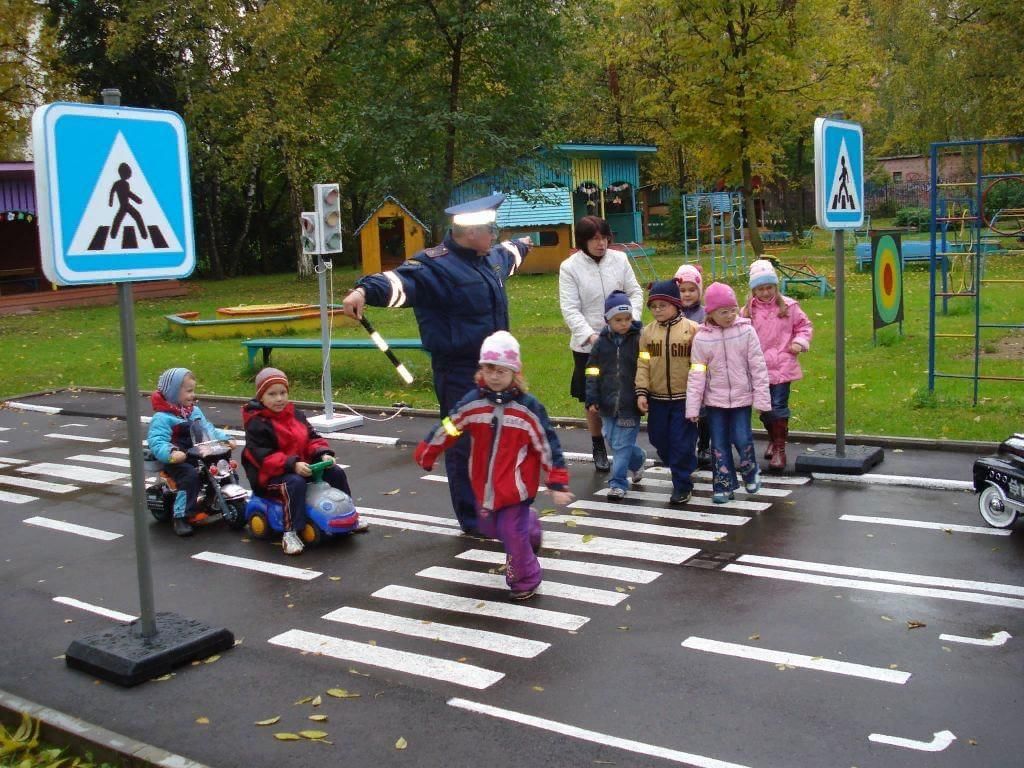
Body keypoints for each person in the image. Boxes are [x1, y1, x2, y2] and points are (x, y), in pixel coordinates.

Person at [342, 194, 531, 535]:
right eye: (492, 229)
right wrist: (363, 292)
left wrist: (524, 244)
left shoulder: (489, 257)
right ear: (470, 232)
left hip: (499, 373)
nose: (496, 235)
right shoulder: (433, 267)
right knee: (465, 444)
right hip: (458, 373)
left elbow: (512, 253)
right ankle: (473, 519)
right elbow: (398, 283)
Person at [415, 332, 574, 600]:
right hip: (484, 486)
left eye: (502, 370)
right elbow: (451, 425)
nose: (495, 376)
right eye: (489, 368)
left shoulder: (528, 409)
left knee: (512, 534)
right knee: (490, 529)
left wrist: (557, 480)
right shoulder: (473, 402)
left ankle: (526, 578)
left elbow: (547, 443)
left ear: (515, 372)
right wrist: (428, 450)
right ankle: (531, 527)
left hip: (516, 488)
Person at [241, 368, 360, 555]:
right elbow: (263, 456)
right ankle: (291, 532)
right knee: (294, 484)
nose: (279, 398)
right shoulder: (257, 423)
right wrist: (292, 464)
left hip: (300, 467)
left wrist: (322, 453)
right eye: (272, 394)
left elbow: (312, 438)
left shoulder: (296, 415)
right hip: (269, 476)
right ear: (261, 397)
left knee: (335, 472)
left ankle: (348, 514)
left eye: (283, 393)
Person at [558, 215, 643, 472]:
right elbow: (570, 308)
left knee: (623, 394)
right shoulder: (570, 267)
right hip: (590, 347)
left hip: (624, 340)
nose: (601, 243)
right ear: (583, 241)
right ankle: (598, 445)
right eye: (594, 239)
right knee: (593, 399)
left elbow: (635, 292)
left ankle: (626, 447)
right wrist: (592, 336)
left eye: (604, 238)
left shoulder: (620, 260)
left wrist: (630, 321)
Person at [686, 283, 771, 503]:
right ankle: (723, 484)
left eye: (733, 310)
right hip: (715, 402)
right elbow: (697, 374)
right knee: (719, 444)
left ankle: (750, 471)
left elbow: (758, 366)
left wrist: (761, 399)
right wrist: (693, 407)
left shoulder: (746, 331)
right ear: (711, 313)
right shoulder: (702, 338)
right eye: (724, 312)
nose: (730, 315)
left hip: (742, 399)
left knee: (743, 439)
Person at [741, 259, 813, 472]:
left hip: (782, 364)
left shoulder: (789, 307)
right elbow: (738, 334)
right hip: (758, 367)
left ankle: (780, 449)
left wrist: (799, 342)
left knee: (779, 406)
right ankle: (773, 437)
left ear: (776, 286)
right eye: (761, 288)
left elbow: (804, 326)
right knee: (764, 409)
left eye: (769, 287)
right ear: (754, 289)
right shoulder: (747, 312)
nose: (765, 292)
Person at [635, 279, 701, 504]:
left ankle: (682, 484)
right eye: (653, 306)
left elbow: (701, 365)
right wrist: (642, 392)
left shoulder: (693, 330)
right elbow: (643, 363)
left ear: (676, 304)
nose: (657, 310)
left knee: (681, 443)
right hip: (658, 398)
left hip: (685, 399)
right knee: (659, 439)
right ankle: (682, 465)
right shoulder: (647, 333)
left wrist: (700, 395)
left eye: (663, 305)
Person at [147, 367, 231, 537]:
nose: (193, 395)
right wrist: (171, 452)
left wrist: (225, 439)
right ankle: (181, 516)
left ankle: (215, 500)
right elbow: (157, 441)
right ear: (172, 392)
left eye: (193, 390)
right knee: (189, 477)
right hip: (178, 460)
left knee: (223, 468)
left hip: (198, 454)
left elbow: (208, 429)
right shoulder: (162, 418)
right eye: (189, 391)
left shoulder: (193, 411)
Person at [585, 291, 645, 500]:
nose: (624, 324)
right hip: (607, 402)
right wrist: (592, 398)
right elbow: (592, 370)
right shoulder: (601, 343)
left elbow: (646, 367)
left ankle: (618, 483)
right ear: (607, 320)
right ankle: (637, 460)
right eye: (618, 320)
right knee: (611, 437)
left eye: (628, 319)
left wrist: (643, 393)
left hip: (630, 402)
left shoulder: (638, 339)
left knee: (621, 445)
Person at [674, 263, 710, 468]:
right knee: (684, 410)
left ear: (699, 290)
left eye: (692, 289)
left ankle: (704, 445)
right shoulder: (672, 314)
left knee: (704, 410)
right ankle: (687, 445)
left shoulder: (705, 314)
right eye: (682, 290)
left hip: (702, 368)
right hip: (679, 370)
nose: (687, 294)